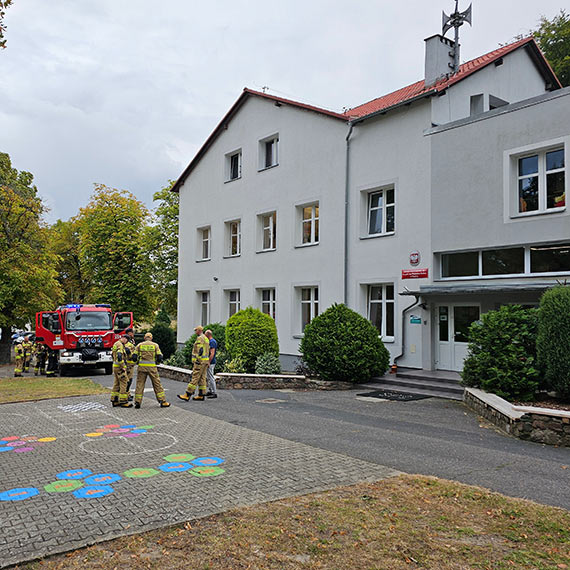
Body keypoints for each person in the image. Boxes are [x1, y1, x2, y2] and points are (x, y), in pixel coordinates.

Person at [133, 332, 170, 408]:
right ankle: (162, 401)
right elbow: (160, 356)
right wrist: (157, 362)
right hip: (152, 368)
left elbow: (134, 356)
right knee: (157, 384)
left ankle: (137, 402)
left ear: (144, 338)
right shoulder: (155, 345)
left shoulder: (139, 345)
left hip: (141, 368)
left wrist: (137, 362)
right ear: (151, 338)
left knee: (140, 384)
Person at [177, 325, 210, 401]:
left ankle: (187, 394)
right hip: (205, 361)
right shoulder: (206, 338)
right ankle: (201, 394)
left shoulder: (200, 338)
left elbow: (200, 350)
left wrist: (198, 360)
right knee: (202, 378)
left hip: (200, 362)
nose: (195, 332)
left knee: (195, 377)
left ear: (199, 330)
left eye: (196, 330)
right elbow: (207, 350)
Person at [110, 335, 132, 407]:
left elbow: (113, 355)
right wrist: (123, 366)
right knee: (124, 382)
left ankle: (115, 400)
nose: (126, 342)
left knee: (116, 383)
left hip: (115, 366)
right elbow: (119, 356)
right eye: (126, 340)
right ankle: (123, 401)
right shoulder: (120, 345)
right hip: (120, 367)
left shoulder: (115, 344)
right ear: (124, 339)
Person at [205, 329, 218, 398]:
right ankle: (210, 390)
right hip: (210, 362)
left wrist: (209, 362)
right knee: (209, 377)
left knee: (211, 377)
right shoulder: (211, 341)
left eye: (205, 334)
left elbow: (212, 353)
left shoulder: (212, 342)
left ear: (207, 334)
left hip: (211, 362)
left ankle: (214, 392)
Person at [124, 328, 137, 401]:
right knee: (127, 380)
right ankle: (126, 395)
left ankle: (128, 394)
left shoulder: (132, 341)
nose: (133, 334)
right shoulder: (126, 343)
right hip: (127, 364)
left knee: (129, 380)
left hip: (131, 365)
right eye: (131, 333)